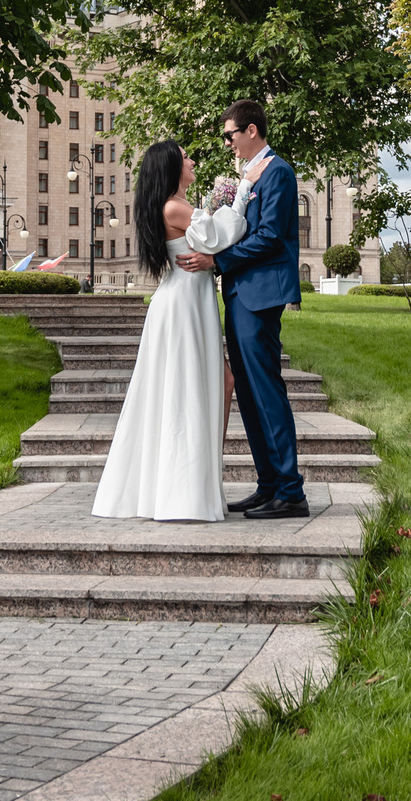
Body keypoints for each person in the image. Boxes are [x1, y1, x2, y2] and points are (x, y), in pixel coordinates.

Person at [92, 140, 243, 521]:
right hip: (182, 307)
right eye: (185, 156)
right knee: (188, 389)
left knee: (221, 382)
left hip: (188, 302)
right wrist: (239, 195)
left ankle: (203, 482)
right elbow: (221, 234)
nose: (192, 160)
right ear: (172, 167)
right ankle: (187, 492)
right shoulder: (174, 207)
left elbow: (211, 242)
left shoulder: (176, 205)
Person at [177, 99, 305, 518]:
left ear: (251, 130)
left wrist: (217, 261)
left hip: (261, 294)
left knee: (265, 390)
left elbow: (269, 237)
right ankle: (269, 485)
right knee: (248, 394)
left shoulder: (278, 172)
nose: (227, 143)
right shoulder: (250, 175)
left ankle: (291, 491)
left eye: (230, 135)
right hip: (240, 293)